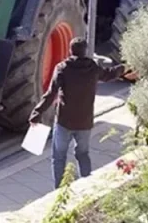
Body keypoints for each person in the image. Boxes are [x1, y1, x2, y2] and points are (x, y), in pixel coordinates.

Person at [29, 37, 125, 188]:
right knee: (82, 154)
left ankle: (59, 189)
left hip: (64, 122)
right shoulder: (92, 67)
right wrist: (123, 68)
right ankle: (86, 185)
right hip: (85, 122)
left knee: (59, 157)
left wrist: (37, 113)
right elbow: (109, 75)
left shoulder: (62, 68)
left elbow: (50, 94)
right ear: (85, 51)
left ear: (70, 50)